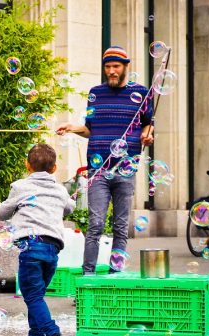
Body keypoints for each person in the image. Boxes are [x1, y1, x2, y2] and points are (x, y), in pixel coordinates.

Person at [56, 46, 154, 274]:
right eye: (108, 67)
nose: (111, 71)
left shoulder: (141, 93)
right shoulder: (96, 93)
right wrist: (72, 128)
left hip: (126, 168)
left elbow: (148, 123)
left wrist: (147, 135)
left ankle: (114, 276)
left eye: (115, 66)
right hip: (98, 169)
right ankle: (88, 276)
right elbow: (90, 129)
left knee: (120, 226)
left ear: (125, 67)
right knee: (95, 224)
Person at [0, 144, 75, 336]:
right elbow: (69, 208)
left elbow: (3, 213)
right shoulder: (60, 189)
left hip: (31, 247)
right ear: (54, 169)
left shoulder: (20, 187)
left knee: (32, 296)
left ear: (27, 165)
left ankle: (53, 335)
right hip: (52, 249)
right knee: (37, 294)